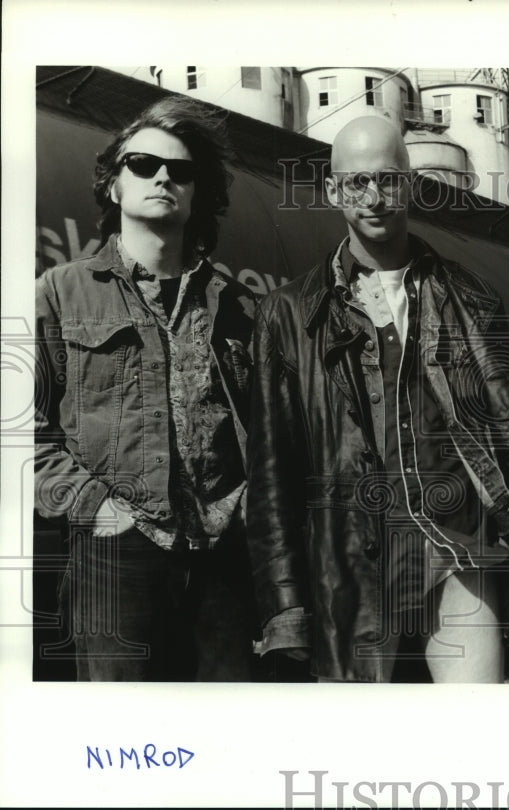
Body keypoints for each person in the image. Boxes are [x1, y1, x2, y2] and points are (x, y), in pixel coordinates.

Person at [246, 116, 509, 683]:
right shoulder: (289, 312)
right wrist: (286, 602)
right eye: (356, 183)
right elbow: (272, 474)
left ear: (410, 184)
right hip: (352, 555)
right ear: (333, 190)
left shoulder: (469, 295)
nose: (373, 198)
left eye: (388, 180)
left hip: (458, 538)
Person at [35, 97, 258, 681]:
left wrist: (247, 507)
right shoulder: (59, 294)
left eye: (181, 171)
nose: (163, 177)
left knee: (224, 746)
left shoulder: (237, 305)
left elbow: (272, 427)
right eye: (143, 164)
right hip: (115, 554)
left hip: (223, 563)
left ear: (196, 193)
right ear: (114, 185)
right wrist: (96, 509)